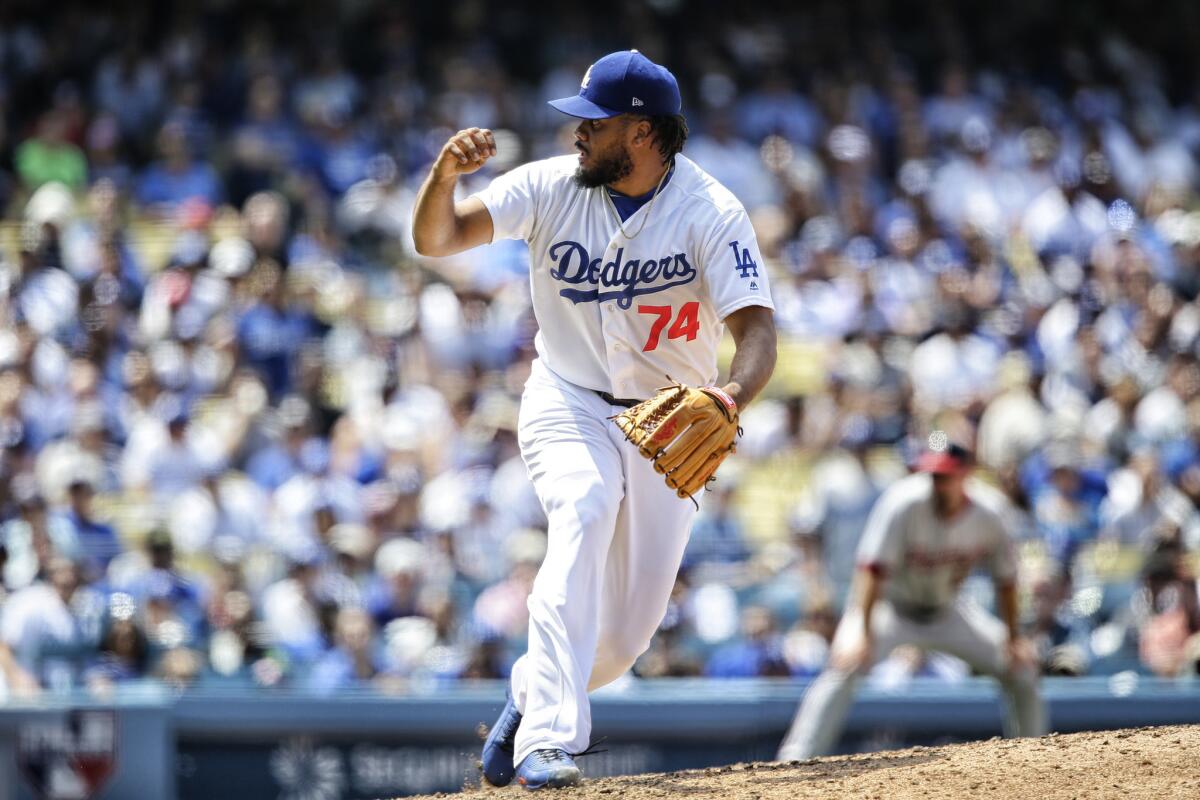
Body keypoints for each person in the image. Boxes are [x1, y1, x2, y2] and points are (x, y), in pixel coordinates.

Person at [412, 50, 777, 789]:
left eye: (595, 122)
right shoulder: (550, 185)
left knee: (618, 645)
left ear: (642, 132)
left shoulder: (711, 211)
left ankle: (529, 696)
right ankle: (548, 741)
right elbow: (437, 240)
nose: (578, 134)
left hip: (667, 424)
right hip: (567, 398)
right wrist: (444, 178)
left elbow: (759, 334)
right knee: (580, 510)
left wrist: (729, 397)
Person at [776, 433, 1047, 761]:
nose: (936, 482)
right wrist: (860, 633)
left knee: (1020, 668)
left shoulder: (990, 512)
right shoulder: (902, 502)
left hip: (949, 611)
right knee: (843, 664)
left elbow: (1006, 580)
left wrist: (1014, 638)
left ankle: (1033, 758)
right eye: (931, 474)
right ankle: (794, 761)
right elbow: (871, 572)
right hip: (892, 609)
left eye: (945, 475)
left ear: (966, 473)